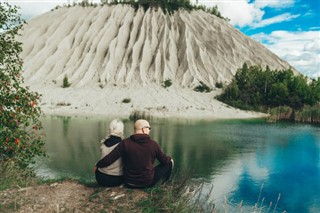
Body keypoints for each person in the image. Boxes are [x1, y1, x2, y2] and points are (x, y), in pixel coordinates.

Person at [95, 119, 173, 189]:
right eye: (149, 128)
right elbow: (165, 161)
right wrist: (170, 159)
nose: (149, 130)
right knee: (169, 162)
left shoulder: (125, 143)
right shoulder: (153, 144)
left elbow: (109, 159)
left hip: (129, 183)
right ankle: (164, 185)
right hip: (147, 183)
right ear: (143, 130)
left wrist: (97, 165)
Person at [94, 119, 124, 187]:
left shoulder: (103, 143)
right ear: (121, 130)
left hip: (100, 178)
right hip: (116, 179)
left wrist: (96, 165)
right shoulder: (123, 144)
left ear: (110, 128)